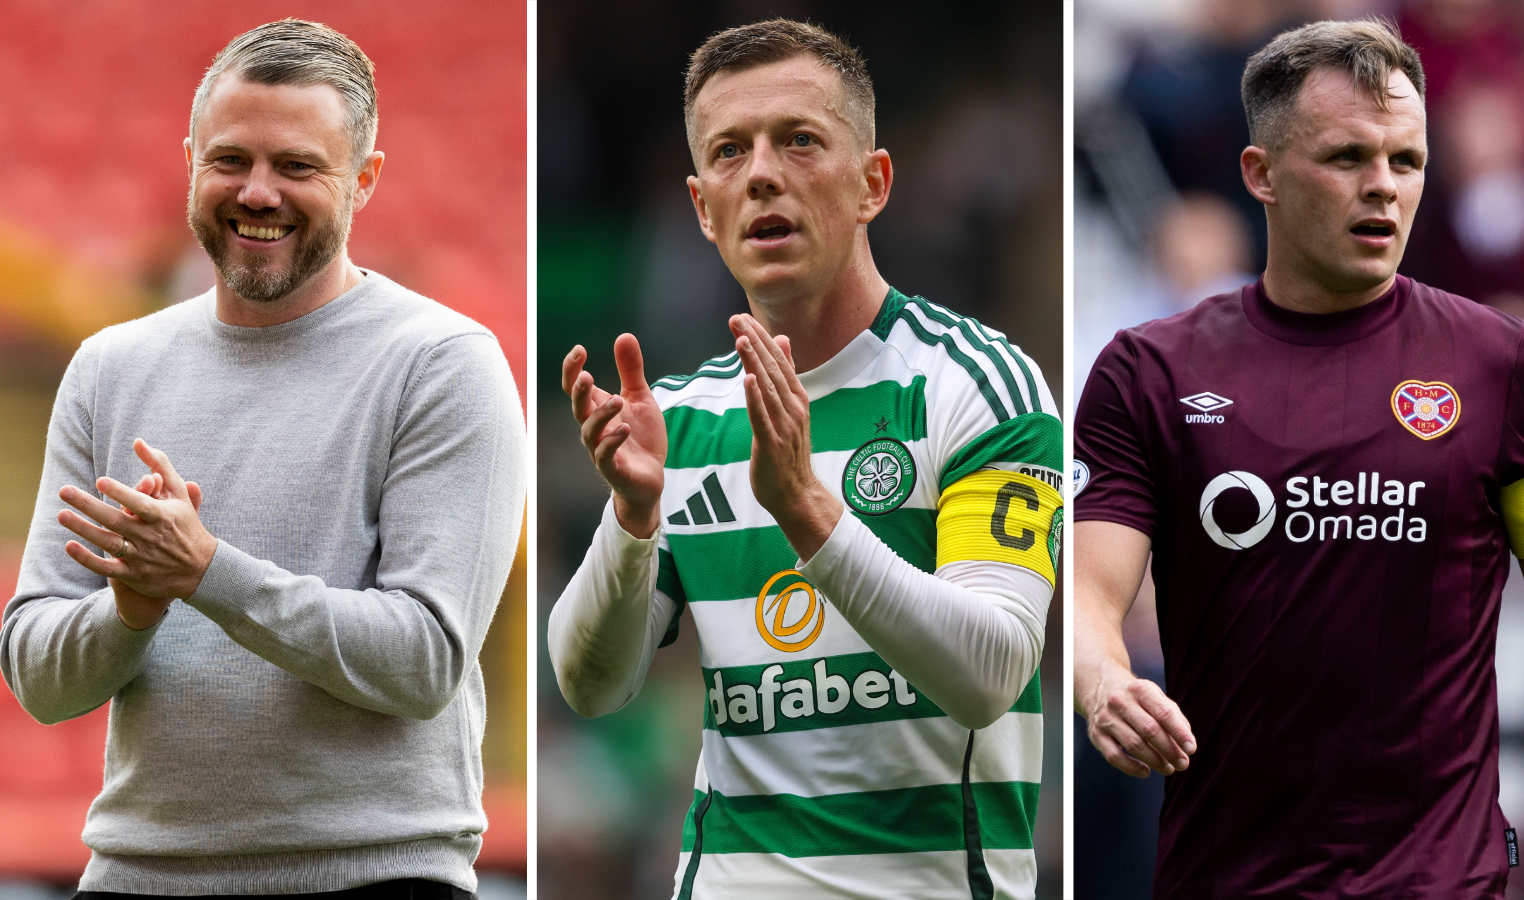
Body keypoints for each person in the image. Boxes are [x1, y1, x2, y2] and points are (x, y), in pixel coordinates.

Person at [1074, 19, 1524, 899]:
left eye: (1407, 161)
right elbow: (1091, 594)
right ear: (1261, 175)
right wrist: (1103, 684)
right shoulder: (1151, 372)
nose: (1383, 189)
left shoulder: (1508, 369)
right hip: (1226, 876)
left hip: (1442, 881)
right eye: (1347, 157)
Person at [0, 19, 524, 897]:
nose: (258, 192)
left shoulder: (442, 364)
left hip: (375, 876)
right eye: (230, 160)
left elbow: (427, 658)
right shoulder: (107, 368)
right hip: (136, 875)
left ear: (365, 179)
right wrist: (127, 611)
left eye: (298, 167)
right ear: (190, 161)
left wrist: (207, 573)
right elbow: (40, 680)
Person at [550, 18, 1062, 900]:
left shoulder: (978, 387)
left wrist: (807, 511)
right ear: (703, 207)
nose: (760, 173)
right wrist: (632, 522)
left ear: (872, 184)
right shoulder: (682, 417)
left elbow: (990, 672)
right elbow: (590, 687)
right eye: (729, 151)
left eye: (799, 141)